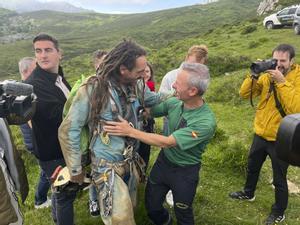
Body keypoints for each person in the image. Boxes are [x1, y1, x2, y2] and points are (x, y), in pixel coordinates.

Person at [59, 40, 168, 225]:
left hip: (130, 160)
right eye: (139, 71)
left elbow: (153, 99)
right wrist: (75, 168)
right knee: (121, 219)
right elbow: (70, 128)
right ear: (123, 69)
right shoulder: (94, 88)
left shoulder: (136, 84)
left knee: (130, 208)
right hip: (106, 166)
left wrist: (178, 94)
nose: (144, 75)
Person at [104, 62, 216, 225]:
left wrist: (130, 131)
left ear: (192, 91)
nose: (173, 85)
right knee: (152, 206)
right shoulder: (175, 103)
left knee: (183, 211)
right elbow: (148, 112)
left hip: (185, 172)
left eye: (178, 83)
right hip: (163, 164)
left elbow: (167, 142)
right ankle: (165, 222)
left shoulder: (205, 122)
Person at [229, 44, 300, 225]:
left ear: (292, 61)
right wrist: (254, 75)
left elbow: (296, 109)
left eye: (283, 61)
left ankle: (278, 212)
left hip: (282, 137)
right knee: (252, 166)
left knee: (279, 178)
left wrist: (282, 81)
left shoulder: (297, 77)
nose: (279, 64)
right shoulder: (268, 74)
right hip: (261, 132)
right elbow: (245, 94)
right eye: (276, 59)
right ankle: (248, 193)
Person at [25, 33, 74, 225]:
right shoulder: (34, 85)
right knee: (65, 194)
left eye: (48, 50)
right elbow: (59, 115)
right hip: (52, 151)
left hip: (61, 147)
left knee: (58, 190)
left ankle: (56, 219)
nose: (43, 55)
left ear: (59, 53)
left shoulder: (58, 78)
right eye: (38, 51)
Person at [159, 44, 209, 206]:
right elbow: (160, 97)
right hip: (171, 117)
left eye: (199, 66)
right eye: (192, 64)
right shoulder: (171, 76)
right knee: (168, 148)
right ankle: (166, 184)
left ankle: (177, 189)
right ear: (186, 59)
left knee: (183, 148)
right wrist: (173, 100)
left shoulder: (201, 77)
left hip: (190, 120)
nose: (194, 69)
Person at [18, 57, 52, 209]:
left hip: (34, 139)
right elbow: (32, 121)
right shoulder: (25, 90)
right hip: (35, 140)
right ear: (27, 71)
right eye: (35, 68)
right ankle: (40, 200)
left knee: (45, 170)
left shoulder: (21, 89)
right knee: (46, 171)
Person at [88, 49, 107, 217]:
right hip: (93, 139)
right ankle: (93, 200)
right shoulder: (91, 86)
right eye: (102, 64)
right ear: (95, 66)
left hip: (108, 141)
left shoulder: (114, 84)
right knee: (95, 173)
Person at [137, 62, 156, 168]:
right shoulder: (136, 86)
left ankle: (142, 170)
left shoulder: (150, 86)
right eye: (143, 71)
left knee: (145, 146)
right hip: (138, 120)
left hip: (147, 121)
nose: (145, 74)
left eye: (148, 71)